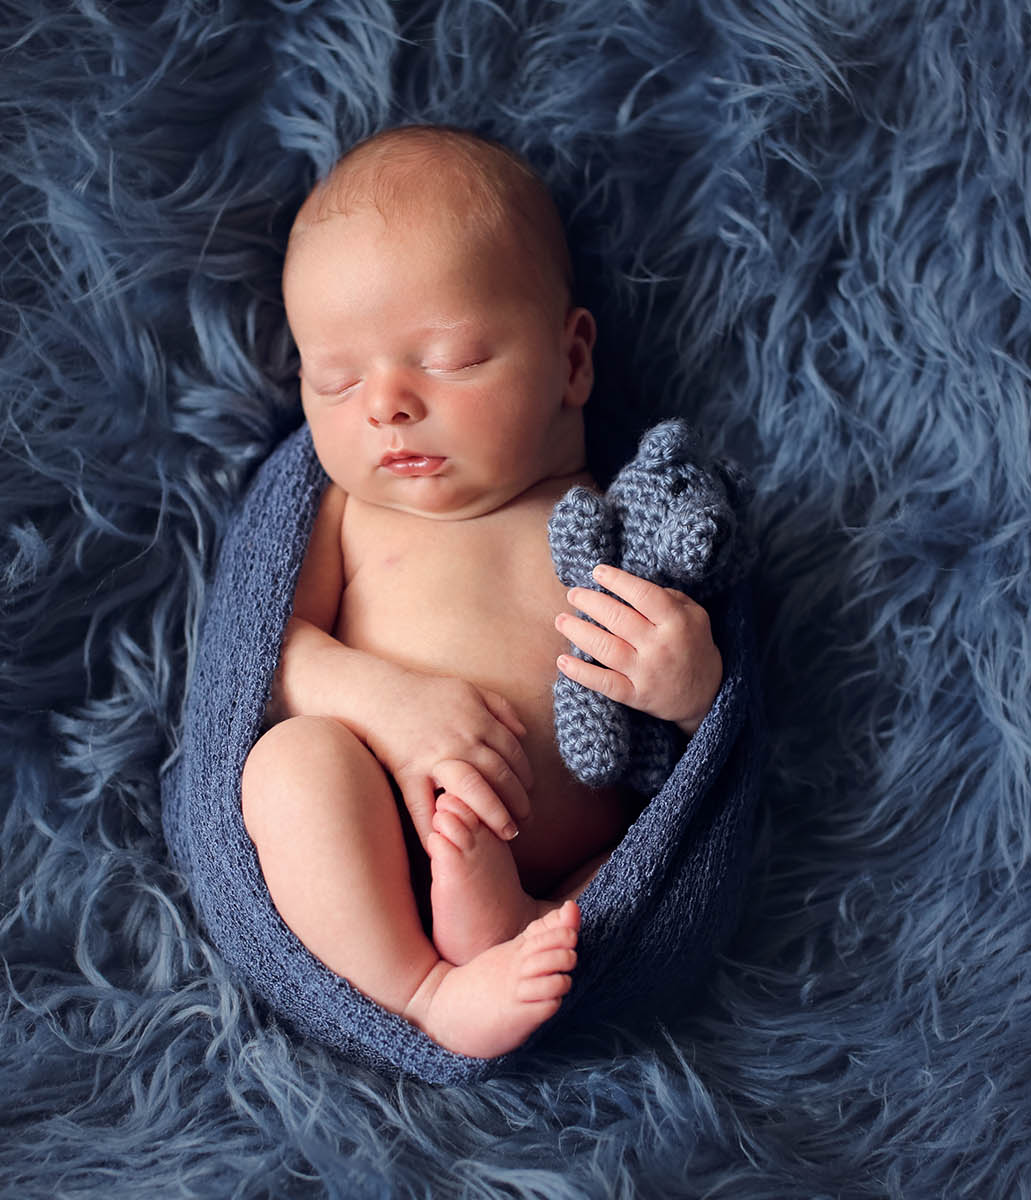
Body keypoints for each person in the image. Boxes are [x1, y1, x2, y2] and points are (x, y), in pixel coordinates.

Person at [241, 125, 725, 1059]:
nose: (384, 404)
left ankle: (527, 923)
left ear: (571, 362)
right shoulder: (343, 512)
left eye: (450, 358)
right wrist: (391, 704)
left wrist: (693, 686)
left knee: (655, 853)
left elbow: (705, 746)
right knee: (288, 768)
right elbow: (270, 658)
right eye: (335, 380)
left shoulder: (622, 513)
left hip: (580, 875)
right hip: (387, 845)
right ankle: (426, 988)